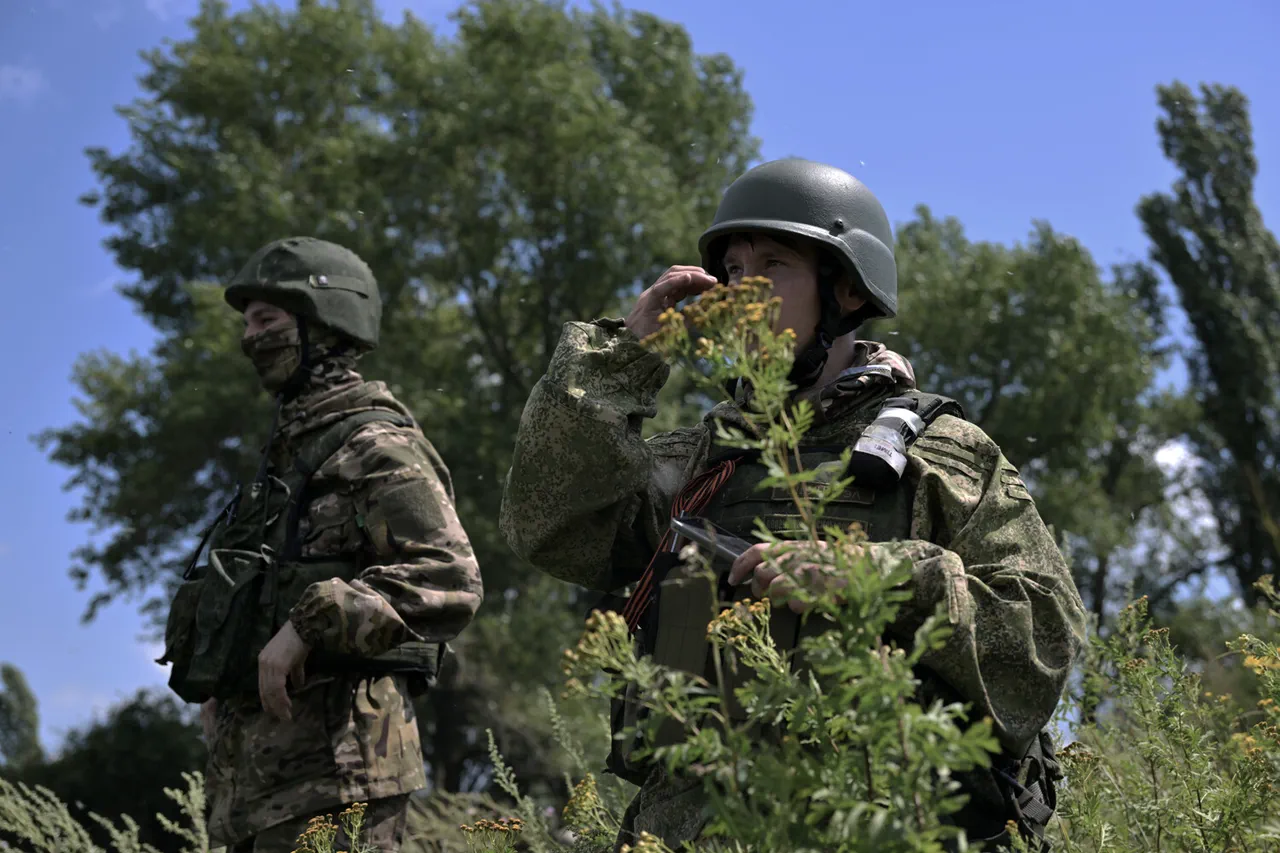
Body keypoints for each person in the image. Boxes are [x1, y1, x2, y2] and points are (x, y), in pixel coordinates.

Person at [499, 159, 1087, 850]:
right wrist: (621, 359)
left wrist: (874, 576)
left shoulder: (942, 457)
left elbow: (1043, 638)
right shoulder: (699, 462)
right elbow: (548, 525)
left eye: (773, 266)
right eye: (733, 272)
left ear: (844, 290)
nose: (743, 293)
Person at [157, 236, 483, 853]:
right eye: (247, 322)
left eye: (267, 319)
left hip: (342, 777)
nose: (250, 337)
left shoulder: (376, 444)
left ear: (322, 322)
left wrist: (307, 624)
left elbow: (449, 576)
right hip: (257, 789)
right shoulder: (283, 463)